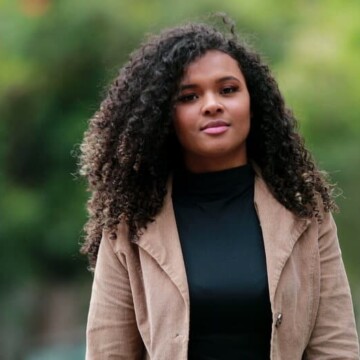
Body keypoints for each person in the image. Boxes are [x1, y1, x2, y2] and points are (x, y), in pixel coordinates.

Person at [79, 16, 359, 359]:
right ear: (164, 117)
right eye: (189, 96)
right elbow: (110, 353)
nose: (212, 104)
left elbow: (336, 347)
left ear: (253, 104)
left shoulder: (304, 212)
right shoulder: (129, 224)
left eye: (227, 90)